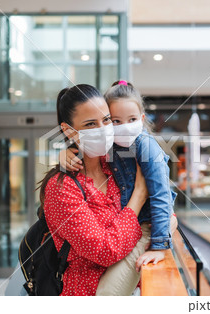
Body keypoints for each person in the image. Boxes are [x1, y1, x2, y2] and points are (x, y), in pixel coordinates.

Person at [60, 80, 177, 296]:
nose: (123, 126)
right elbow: (86, 150)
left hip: (146, 227)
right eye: (115, 121)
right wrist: (65, 153)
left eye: (131, 120)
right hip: (118, 243)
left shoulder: (145, 147)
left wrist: (160, 246)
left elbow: (162, 197)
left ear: (141, 119)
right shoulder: (109, 147)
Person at [39, 84, 149, 296]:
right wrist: (139, 195)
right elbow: (105, 251)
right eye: (91, 124)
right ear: (68, 130)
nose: (103, 129)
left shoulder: (116, 165)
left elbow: (160, 209)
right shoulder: (62, 188)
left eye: (107, 120)